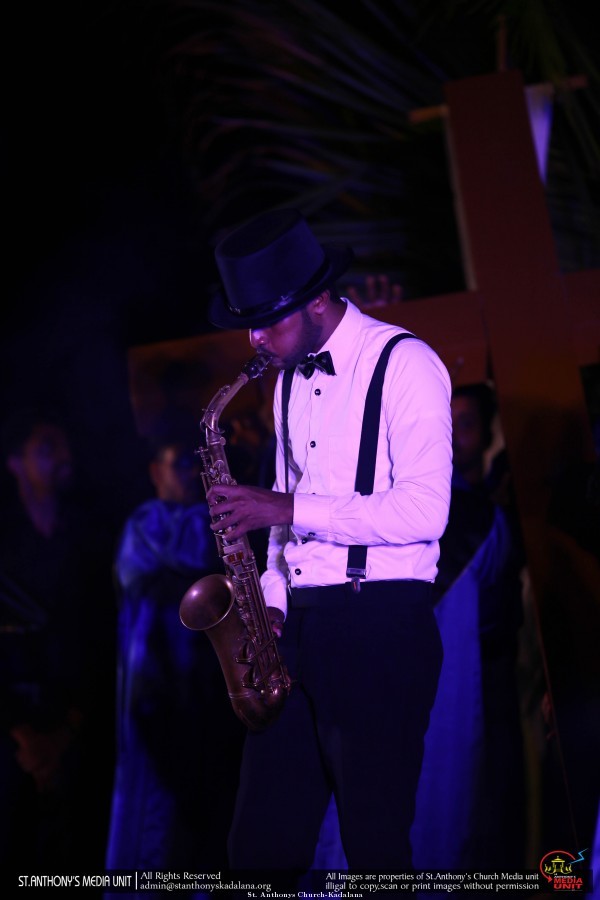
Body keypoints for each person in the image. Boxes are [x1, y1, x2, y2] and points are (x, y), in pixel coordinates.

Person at [205, 208, 453, 879]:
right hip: (298, 630)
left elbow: (426, 511)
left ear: (318, 300)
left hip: (381, 626)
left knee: (375, 854)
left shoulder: (406, 364)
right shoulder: (286, 381)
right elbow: (283, 526)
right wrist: (271, 603)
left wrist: (284, 506)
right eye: (249, 322)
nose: (256, 338)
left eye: (268, 320)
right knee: (257, 853)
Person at [104, 419, 246, 881]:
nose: (189, 473)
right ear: (154, 471)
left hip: (205, 685)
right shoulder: (146, 521)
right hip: (159, 687)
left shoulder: (205, 517)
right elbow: (193, 549)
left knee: (208, 807)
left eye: (193, 464)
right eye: (179, 463)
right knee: (159, 809)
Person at [411, 382, 527, 869]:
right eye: (449, 424)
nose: (456, 436)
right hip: (449, 680)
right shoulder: (442, 509)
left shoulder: (500, 508)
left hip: (496, 674)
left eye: (468, 424)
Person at [0, 406, 116, 870]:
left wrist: (68, 730)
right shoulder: (7, 545)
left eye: (64, 446)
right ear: (15, 462)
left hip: (78, 725)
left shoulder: (90, 539)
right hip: (14, 733)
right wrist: (25, 737)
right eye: (47, 449)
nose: (64, 458)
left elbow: (101, 637)